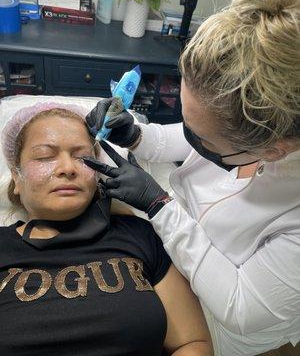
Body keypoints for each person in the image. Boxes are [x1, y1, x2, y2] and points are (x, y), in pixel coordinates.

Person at [83, 0, 300, 355]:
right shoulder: (237, 132)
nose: (191, 140)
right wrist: (136, 135)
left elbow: (240, 307)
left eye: (205, 142)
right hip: (166, 250)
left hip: (222, 317)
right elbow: (192, 136)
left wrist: (160, 206)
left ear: (272, 150)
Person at [0, 102, 213, 356]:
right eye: (45, 156)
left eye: (82, 157)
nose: (68, 168)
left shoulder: (140, 235)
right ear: (16, 179)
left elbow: (191, 343)